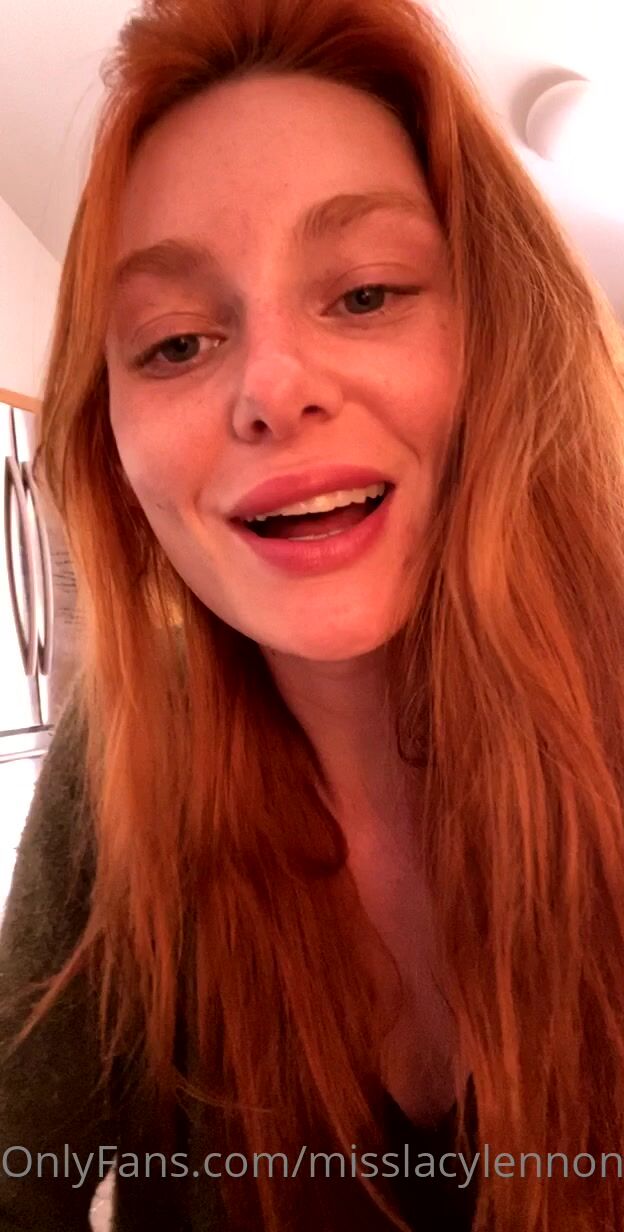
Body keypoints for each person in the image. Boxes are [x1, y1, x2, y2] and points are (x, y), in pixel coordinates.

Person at [1, 0, 624, 1228]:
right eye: (175, 343)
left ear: (501, 336)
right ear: (110, 449)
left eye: (368, 292)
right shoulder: (121, 770)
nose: (272, 389)